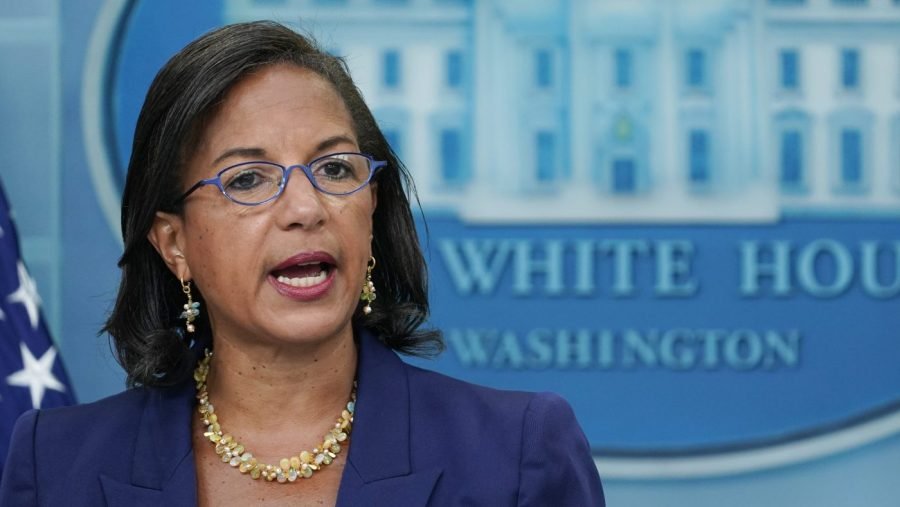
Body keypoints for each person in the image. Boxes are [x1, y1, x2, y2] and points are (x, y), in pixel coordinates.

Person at [0, 21, 604, 506]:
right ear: (173, 243)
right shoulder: (56, 462)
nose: (306, 208)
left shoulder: (517, 453)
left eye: (335, 168)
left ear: (371, 207)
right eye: (248, 178)